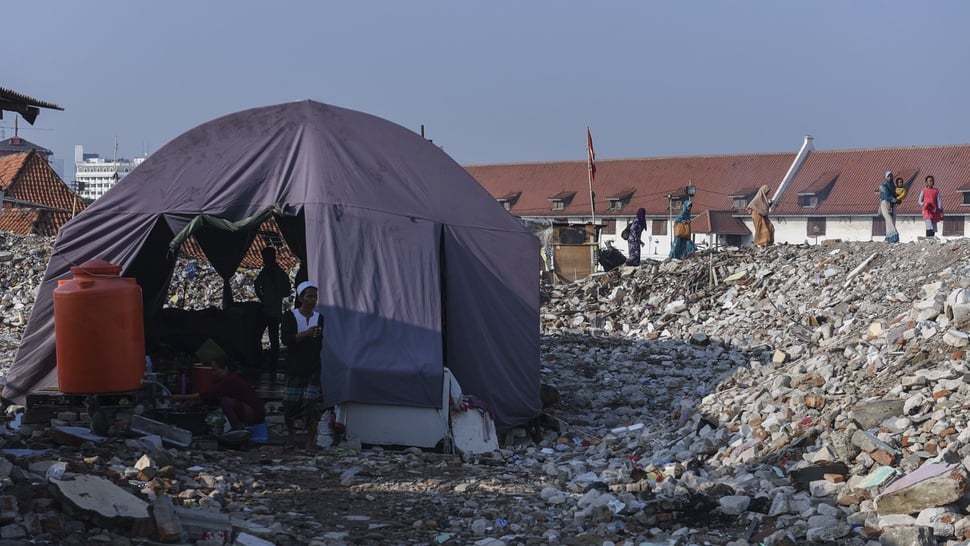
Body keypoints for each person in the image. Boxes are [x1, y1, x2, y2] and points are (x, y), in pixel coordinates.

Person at [281, 280, 324, 450]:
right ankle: (292, 435)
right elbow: (287, 340)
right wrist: (306, 334)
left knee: (310, 405)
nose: (313, 300)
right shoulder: (290, 317)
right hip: (294, 367)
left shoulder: (319, 318)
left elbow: (320, 343)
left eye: (315, 296)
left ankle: (309, 441)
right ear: (301, 298)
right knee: (290, 405)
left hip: (312, 367)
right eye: (310, 296)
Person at [170, 357, 266, 432]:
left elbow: (208, 394)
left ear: (225, 368)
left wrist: (178, 397)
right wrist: (193, 402)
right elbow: (210, 397)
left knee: (225, 401)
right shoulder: (226, 380)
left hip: (255, 414)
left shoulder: (231, 380)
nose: (214, 373)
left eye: (216, 370)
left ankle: (238, 428)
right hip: (253, 411)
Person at [254, 246, 291, 369]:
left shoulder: (268, 272)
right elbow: (287, 290)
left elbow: (257, 285)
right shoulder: (278, 272)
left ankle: (267, 364)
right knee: (273, 338)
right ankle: (271, 365)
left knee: (261, 336)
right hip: (273, 311)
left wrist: (263, 297)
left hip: (268, 310)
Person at [879, 170, 899, 243]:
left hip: (892, 205)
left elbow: (895, 194)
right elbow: (885, 195)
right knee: (889, 219)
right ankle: (895, 235)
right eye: (888, 176)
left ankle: (889, 238)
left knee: (892, 220)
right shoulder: (883, 186)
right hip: (885, 204)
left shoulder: (893, 186)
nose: (890, 177)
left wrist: (898, 198)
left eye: (891, 176)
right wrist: (893, 199)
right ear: (885, 177)